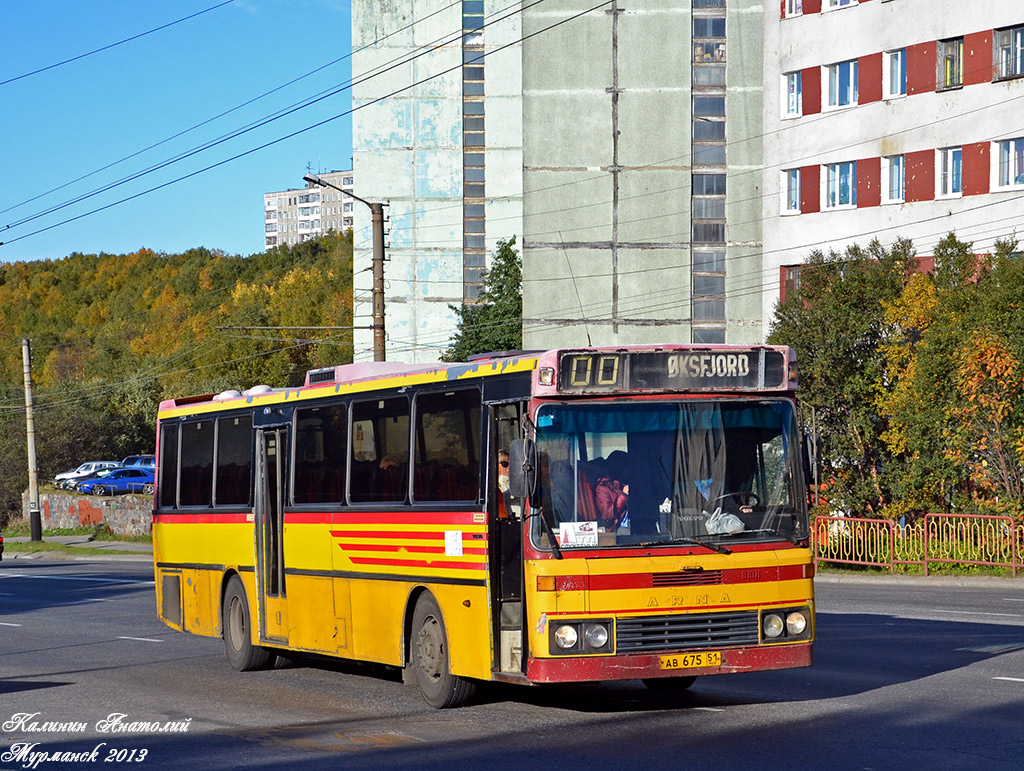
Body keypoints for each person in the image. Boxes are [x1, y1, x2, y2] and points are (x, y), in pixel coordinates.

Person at [595, 450, 630, 530]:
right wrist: (624, 495)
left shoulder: (623, 484)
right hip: (617, 529)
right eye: (626, 467)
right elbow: (608, 514)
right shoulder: (602, 488)